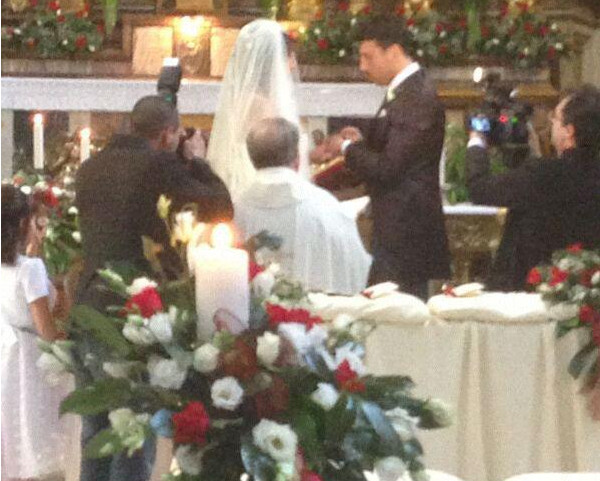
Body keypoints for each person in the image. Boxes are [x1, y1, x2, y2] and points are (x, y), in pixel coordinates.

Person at [75, 95, 233, 481]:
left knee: (95, 434)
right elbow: (219, 207)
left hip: (87, 305)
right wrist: (197, 160)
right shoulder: (157, 165)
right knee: (132, 439)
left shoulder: (90, 167)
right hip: (129, 314)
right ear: (166, 135)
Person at [317, 15, 451, 300]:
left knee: (395, 313)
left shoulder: (416, 95)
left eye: (368, 56)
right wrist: (362, 143)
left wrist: (346, 148)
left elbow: (389, 168)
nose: (362, 66)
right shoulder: (404, 90)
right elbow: (395, 148)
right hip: (397, 228)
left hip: (406, 233)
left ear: (393, 51)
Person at [466, 85, 600, 291]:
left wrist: (477, 140)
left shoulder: (543, 174)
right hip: (586, 289)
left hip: (531, 289)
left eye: (555, 118)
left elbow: (480, 188)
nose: (551, 123)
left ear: (569, 131)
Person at [234, 118, 371, 294]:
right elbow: (357, 272)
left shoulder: (233, 211)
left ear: (252, 159)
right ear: (298, 159)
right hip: (320, 309)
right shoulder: (327, 207)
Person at [1, 184, 68, 481]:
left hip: (7, 359)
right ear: (22, 223)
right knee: (36, 444)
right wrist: (65, 289)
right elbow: (47, 331)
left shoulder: (16, 266)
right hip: (31, 364)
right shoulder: (30, 269)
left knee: (12, 442)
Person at [206, 19, 308, 199]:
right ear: (272, 61)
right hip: (261, 183)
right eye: (288, 56)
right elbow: (276, 152)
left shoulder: (250, 99)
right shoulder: (261, 104)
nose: (293, 64)